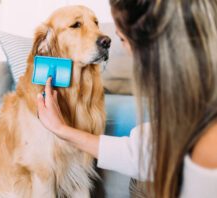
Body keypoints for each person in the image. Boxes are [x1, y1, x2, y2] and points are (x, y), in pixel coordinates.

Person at [37, 0, 217, 197]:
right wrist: (62, 130)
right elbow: (144, 152)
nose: (123, 50)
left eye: (121, 39)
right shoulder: (191, 110)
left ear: (154, 48)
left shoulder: (207, 143)